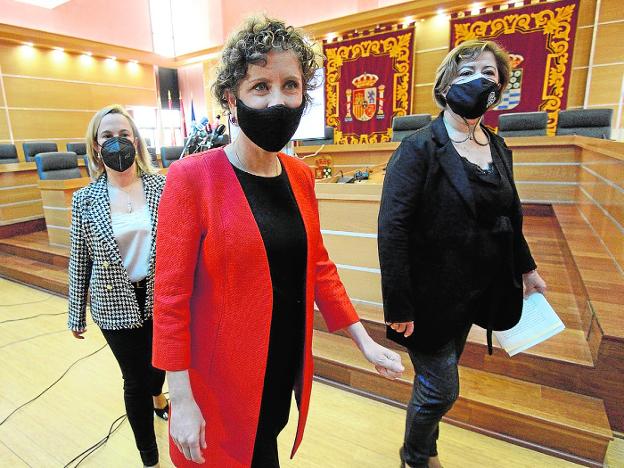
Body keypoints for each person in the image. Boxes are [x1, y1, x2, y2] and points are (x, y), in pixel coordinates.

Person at [152, 17, 404, 468]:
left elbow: (318, 265)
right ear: (232, 97)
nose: (278, 99)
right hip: (217, 378)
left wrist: (362, 339)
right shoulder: (190, 178)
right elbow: (170, 297)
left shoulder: (301, 176)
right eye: (261, 86)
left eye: (290, 85)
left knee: (264, 443)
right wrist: (180, 396)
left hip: (279, 365)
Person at [378, 40, 547, 468]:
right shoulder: (418, 148)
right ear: (447, 82)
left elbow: (507, 216)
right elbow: (392, 229)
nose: (479, 80)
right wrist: (398, 302)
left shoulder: (498, 146)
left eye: (489, 74)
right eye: (467, 71)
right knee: (441, 389)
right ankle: (415, 457)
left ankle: (425, 450)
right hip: (428, 294)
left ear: (499, 88)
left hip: (476, 290)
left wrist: (527, 269)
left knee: (440, 373)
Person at [67, 104, 170, 468]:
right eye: (107, 136)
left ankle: (160, 396)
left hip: (161, 298)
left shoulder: (164, 186)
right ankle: (150, 458)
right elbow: (80, 259)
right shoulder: (84, 199)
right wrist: (75, 314)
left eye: (123, 134)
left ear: (136, 139)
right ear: (96, 146)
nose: (117, 142)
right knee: (135, 380)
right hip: (113, 304)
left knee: (160, 366)